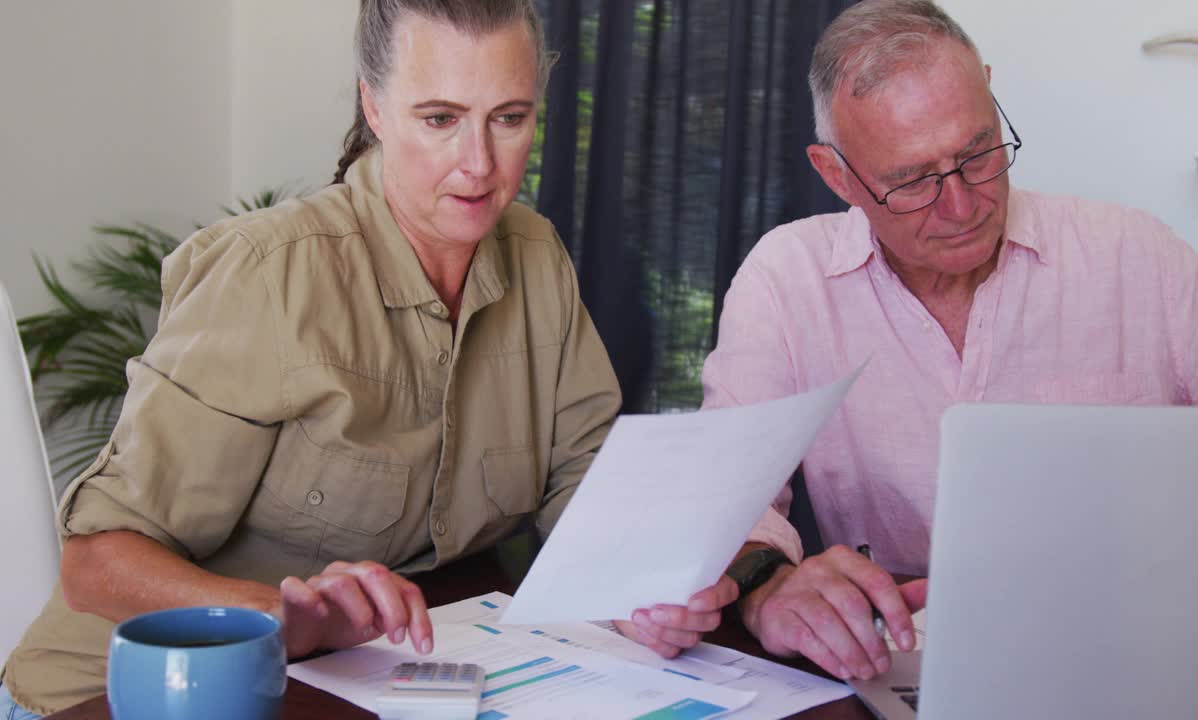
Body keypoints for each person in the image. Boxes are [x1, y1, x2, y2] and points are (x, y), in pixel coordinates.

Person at [0, 2, 733, 716]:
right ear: (374, 108)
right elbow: (95, 563)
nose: (478, 165)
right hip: (116, 697)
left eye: (509, 119)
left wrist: (635, 588)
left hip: (357, 684)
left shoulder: (536, 255)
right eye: (440, 119)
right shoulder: (267, 276)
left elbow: (584, 475)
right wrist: (287, 616)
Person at [711, 0, 1198, 687]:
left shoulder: (1136, 254)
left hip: (1143, 652)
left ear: (989, 90)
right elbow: (727, 498)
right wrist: (770, 584)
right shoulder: (789, 277)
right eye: (914, 181)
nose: (962, 205)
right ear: (836, 175)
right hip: (907, 661)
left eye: (978, 152)